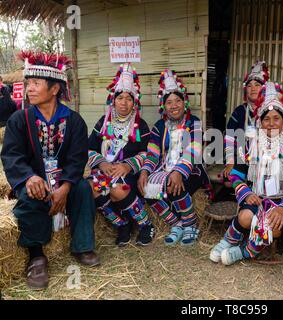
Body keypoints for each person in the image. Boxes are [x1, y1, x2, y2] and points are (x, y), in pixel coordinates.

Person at [0, 51, 100, 290]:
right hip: (35, 181)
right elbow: (12, 155)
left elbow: (77, 159)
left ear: (54, 89)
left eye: (36, 83)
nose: (29, 89)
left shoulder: (74, 121)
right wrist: (29, 177)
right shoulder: (19, 120)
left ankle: (83, 246)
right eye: (28, 84)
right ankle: (36, 256)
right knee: (30, 196)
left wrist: (65, 187)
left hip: (65, 179)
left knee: (83, 189)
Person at [209, 82, 283, 265]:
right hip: (257, 198)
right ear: (259, 122)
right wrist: (246, 193)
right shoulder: (249, 146)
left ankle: (244, 251)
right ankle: (227, 240)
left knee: (272, 227)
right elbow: (236, 175)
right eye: (266, 119)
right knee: (245, 217)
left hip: (281, 203)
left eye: (276, 118)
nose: (271, 124)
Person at [138, 69, 211, 246]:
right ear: (164, 106)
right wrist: (145, 171)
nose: (174, 105)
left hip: (191, 170)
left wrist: (179, 171)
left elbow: (194, 150)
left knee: (174, 184)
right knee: (145, 188)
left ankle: (190, 223)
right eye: (169, 102)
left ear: (184, 102)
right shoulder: (159, 126)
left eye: (177, 100)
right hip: (165, 168)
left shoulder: (194, 122)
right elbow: (153, 152)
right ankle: (176, 223)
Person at [87, 63, 155, 247]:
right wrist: (101, 163)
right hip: (105, 171)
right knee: (92, 188)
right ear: (113, 100)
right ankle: (122, 225)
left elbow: (146, 153)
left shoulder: (140, 125)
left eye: (128, 99)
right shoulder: (103, 122)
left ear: (135, 102)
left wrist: (127, 166)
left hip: (127, 173)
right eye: (120, 98)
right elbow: (89, 148)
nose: (124, 102)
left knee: (117, 188)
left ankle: (145, 224)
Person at [222, 61, 270, 179]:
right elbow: (229, 137)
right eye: (249, 85)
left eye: (257, 85)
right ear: (245, 90)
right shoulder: (239, 111)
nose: (253, 88)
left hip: (267, 158)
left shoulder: (272, 110)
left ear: (264, 89)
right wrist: (230, 162)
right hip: (242, 156)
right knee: (229, 179)